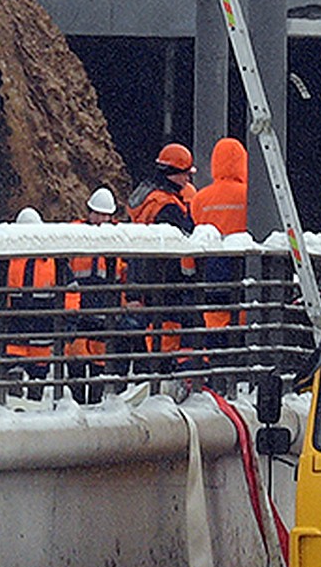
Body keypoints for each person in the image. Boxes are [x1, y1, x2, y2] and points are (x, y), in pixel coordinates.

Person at [0, 207, 64, 402]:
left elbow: (69, 290)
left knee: (37, 379)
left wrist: (69, 317)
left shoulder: (53, 261)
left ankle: (31, 405)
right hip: (19, 326)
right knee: (13, 375)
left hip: (39, 327)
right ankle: (15, 403)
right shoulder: (10, 261)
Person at [127, 143, 198, 370]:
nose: (188, 178)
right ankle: (161, 376)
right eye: (186, 173)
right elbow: (177, 244)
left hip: (142, 278)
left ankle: (151, 375)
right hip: (166, 281)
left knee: (151, 330)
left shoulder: (147, 196)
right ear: (174, 174)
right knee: (167, 331)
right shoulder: (168, 207)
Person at [61, 187, 125, 403]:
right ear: (88, 212)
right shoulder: (74, 234)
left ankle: (95, 404)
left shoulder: (118, 239)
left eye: (105, 215)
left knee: (98, 363)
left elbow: (122, 276)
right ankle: (77, 404)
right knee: (76, 361)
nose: (100, 219)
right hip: (79, 310)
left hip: (103, 311)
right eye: (97, 214)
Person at [190, 136, 248, 358]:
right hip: (242, 275)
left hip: (211, 275)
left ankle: (214, 369)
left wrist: (190, 272)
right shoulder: (250, 196)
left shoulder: (200, 198)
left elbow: (192, 237)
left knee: (213, 328)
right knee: (240, 330)